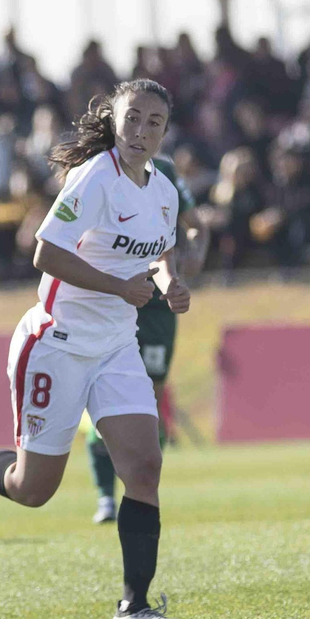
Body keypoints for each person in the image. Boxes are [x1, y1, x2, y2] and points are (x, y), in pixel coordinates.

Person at [0, 80, 191, 619]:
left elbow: (163, 247)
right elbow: (45, 252)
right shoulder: (95, 177)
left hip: (115, 345)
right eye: (133, 118)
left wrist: (169, 281)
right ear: (114, 119)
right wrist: (115, 285)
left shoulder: (164, 189)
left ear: (164, 132)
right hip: (56, 342)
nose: (142, 131)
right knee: (32, 490)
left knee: (145, 467)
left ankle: (135, 605)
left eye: (154, 122)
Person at [85, 150, 205, 523]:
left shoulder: (165, 170)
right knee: (102, 398)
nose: (141, 132)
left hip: (155, 306)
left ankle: (139, 493)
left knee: (150, 399)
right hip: (110, 298)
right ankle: (106, 496)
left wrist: (196, 251)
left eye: (153, 122)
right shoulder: (96, 169)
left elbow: (192, 224)